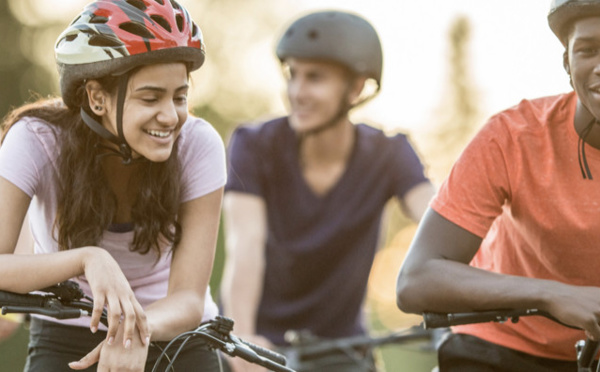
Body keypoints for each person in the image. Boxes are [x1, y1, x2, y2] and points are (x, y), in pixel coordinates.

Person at [0, 0, 225, 371]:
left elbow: (188, 299)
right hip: (67, 334)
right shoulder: (36, 140)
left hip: (174, 334)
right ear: (97, 97)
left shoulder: (199, 145)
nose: (170, 116)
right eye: (150, 97)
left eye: (180, 97)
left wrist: (131, 332)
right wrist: (88, 258)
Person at [220, 9, 435, 372]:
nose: (297, 92)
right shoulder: (254, 145)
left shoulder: (389, 153)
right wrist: (241, 341)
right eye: (293, 75)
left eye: (314, 78)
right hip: (259, 344)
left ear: (355, 88)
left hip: (344, 348)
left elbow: (440, 219)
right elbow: (244, 247)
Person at [396, 1, 600, 371]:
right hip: (498, 348)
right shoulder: (512, 137)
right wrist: (554, 294)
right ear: (568, 64)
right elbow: (417, 278)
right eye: (588, 50)